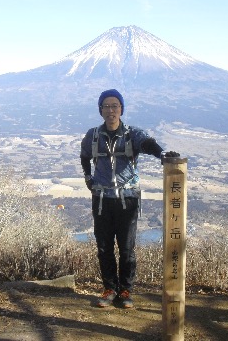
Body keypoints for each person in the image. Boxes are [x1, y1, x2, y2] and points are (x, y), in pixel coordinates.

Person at [80, 89, 179, 308]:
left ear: (121, 109)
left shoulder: (132, 134)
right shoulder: (93, 135)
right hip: (102, 199)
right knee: (104, 247)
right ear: (100, 110)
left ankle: (125, 290)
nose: (111, 110)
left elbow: (148, 144)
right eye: (106, 106)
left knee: (126, 247)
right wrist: (88, 177)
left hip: (127, 199)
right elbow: (85, 156)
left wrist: (162, 154)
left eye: (115, 105)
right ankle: (109, 288)